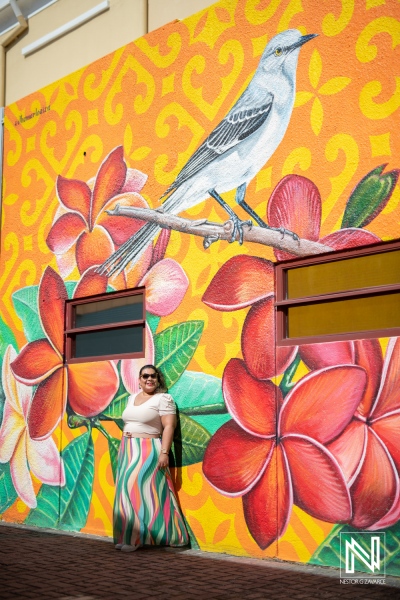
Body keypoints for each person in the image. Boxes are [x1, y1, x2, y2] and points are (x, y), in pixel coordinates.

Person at [113, 364, 189, 552]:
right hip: (128, 448)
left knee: (137, 491)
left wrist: (165, 452)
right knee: (125, 492)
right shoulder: (131, 398)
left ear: (158, 379)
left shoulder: (163, 399)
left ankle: (137, 539)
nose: (149, 379)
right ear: (139, 380)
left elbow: (169, 426)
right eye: (145, 376)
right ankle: (128, 535)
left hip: (148, 448)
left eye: (153, 376)